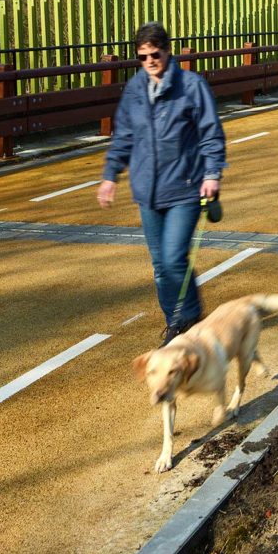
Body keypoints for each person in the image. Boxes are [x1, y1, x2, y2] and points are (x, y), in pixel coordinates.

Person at [97, 22, 227, 343]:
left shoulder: (191, 86)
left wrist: (212, 175)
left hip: (185, 188)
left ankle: (189, 315)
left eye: (155, 54)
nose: (150, 61)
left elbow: (211, 134)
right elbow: (124, 136)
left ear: (167, 51)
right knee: (160, 266)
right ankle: (175, 325)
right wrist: (110, 176)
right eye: (143, 56)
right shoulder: (135, 90)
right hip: (148, 192)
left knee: (172, 258)